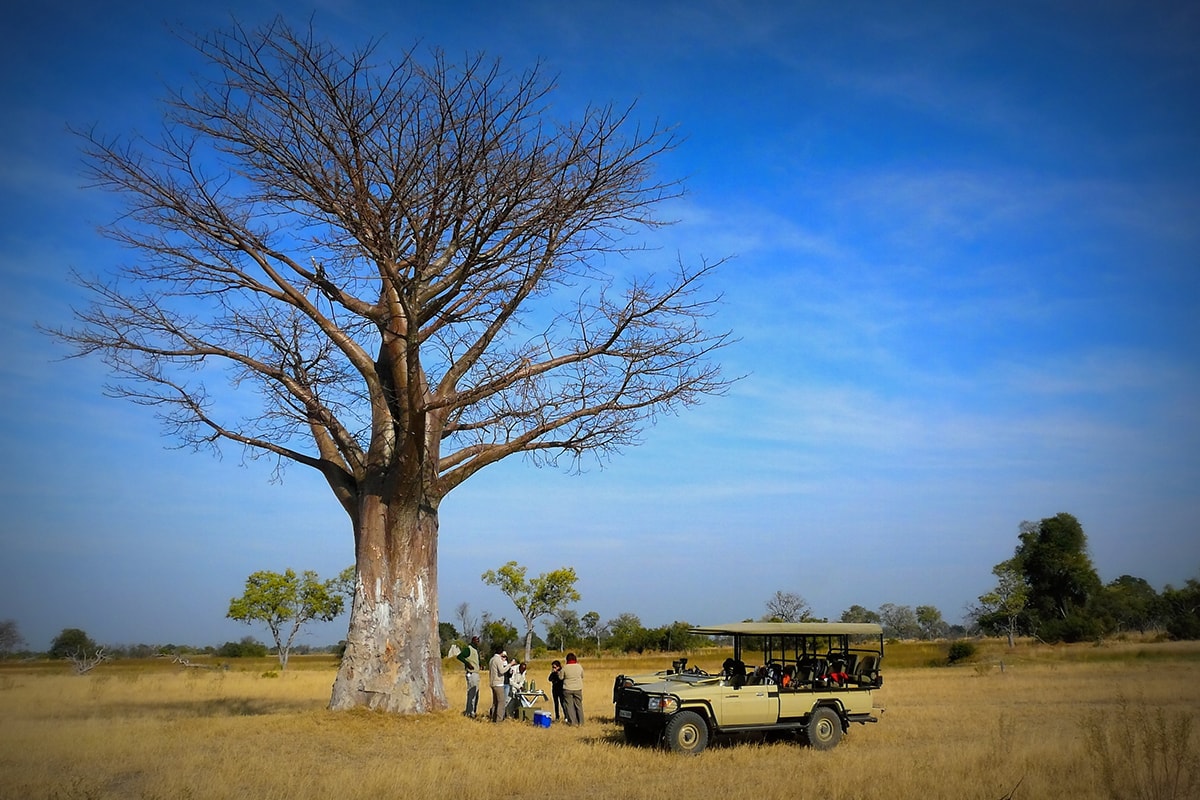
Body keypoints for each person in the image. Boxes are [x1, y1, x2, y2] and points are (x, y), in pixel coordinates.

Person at [456, 635, 481, 718]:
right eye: (476, 641)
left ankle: (473, 710)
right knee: (472, 693)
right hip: (471, 673)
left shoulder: (475, 650)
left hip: (476, 673)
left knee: (476, 694)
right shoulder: (469, 649)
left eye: (478, 641)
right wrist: (467, 663)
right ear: (473, 641)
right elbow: (460, 656)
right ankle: (469, 712)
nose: (477, 642)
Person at [560, 652, 584, 726]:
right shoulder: (579, 666)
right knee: (579, 705)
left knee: (569, 706)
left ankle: (572, 722)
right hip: (578, 688)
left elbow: (561, 677)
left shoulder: (565, 667)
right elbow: (582, 676)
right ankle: (581, 722)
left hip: (567, 688)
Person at [488, 648, 510, 722]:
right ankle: (499, 720)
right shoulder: (498, 660)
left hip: (492, 682)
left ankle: (493, 718)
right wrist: (510, 665)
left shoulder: (492, 659)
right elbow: (502, 671)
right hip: (498, 683)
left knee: (495, 702)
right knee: (501, 702)